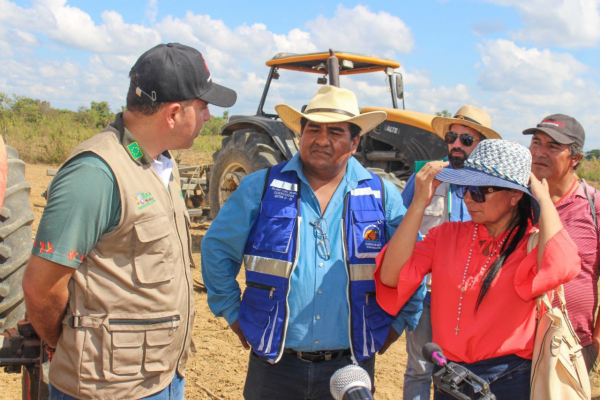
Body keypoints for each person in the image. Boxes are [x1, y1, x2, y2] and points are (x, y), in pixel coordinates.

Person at [22, 43, 237, 400]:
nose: (209, 117)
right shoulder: (96, 173)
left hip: (162, 378)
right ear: (172, 114)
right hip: (105, 388)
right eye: (202, 107)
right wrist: (70, 345)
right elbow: (41, 288)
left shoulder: (156, 165)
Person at [201, 85, 425, 399]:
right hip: (275, 364)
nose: (321, 140)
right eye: (313, 129)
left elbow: (414, 263)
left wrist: (400, 321)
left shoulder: (382, 196)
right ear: (301, 133)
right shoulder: (260, 187)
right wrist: (232, 312)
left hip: (350, 367)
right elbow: (216, 249)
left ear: (355, 140)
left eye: (335, 132)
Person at [375, 139, 581, 399]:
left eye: (482, 190)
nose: (471, 198)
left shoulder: (529, 244)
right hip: (450, 377)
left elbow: (564, 266)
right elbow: (391, 276)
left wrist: (543, 199)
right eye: (466, 189)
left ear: (515, 195)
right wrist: (418, 204)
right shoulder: (446, 235)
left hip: (508, 379)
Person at [401, 105, 501, 400]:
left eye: (466, 140)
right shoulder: (425, 178)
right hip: (426, 295)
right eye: (452, 137)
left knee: (462, 369)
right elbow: (401, 227)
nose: (456, 144)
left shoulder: (494, 186)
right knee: (419, 368)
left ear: (482, 144)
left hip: (472, 297)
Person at [523, 114, 600, 378]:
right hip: (513, 346)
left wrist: (598, 338)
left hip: (572, 345)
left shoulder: (594, 208)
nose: (539, 152)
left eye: (553, 147)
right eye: (536, 142)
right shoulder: (514, 200)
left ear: (575, 158)